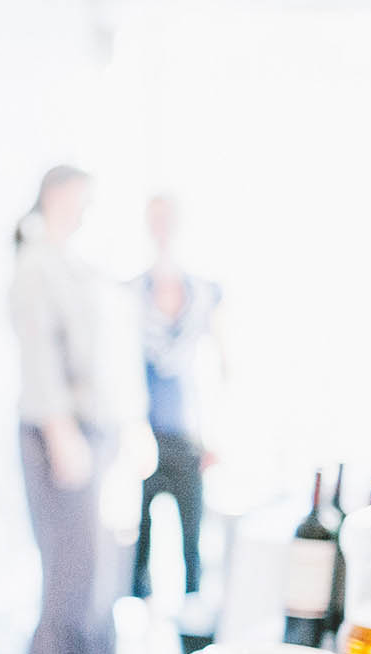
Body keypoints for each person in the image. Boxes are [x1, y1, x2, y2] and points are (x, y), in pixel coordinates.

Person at [9, 165, 121, 654]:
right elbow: (40, 356)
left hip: (90, 425)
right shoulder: (36, 265)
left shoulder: (71, 263)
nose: (87, 210)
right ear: (56, 195)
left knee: (92, 555)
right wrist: (60, 431)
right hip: (59, 427)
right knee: (68, 556)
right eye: (82, 198)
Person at [129, 194, 224, 606]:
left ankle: (192, 625)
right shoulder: (131, 294)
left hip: (189, 437)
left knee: (193, 542)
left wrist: (217, 433)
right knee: (137, 546)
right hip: (141, 435)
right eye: (156, 220)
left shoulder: (205, 294)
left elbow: (222, 367)